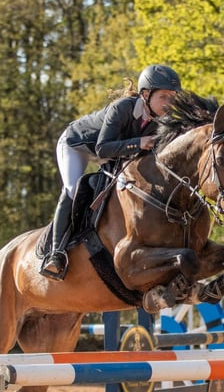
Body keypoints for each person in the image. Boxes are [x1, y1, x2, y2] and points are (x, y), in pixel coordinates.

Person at [40, 64, 182, 281]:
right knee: (72, 189)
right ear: (146, 94)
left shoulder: (161, 122)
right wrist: (139, 142)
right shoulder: (122, 108)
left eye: (173, 97)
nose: (169, 103)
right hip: (78, 145)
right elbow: (102, 148)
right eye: (163, 96)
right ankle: (55, 253)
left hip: (114, 153)